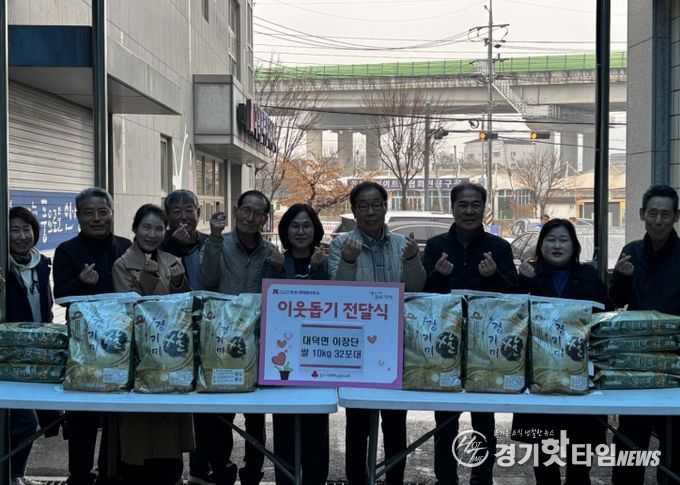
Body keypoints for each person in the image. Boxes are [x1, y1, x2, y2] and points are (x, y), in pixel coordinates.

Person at [328, 181, 425, 485]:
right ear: (354, 211)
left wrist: (412, 260)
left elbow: (417, 289)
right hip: (358, 346)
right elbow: (337, 293)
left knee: (395, 422)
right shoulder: (340, 245)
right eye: (363, 206)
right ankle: (357, 479)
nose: (370, 212)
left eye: (376, 205)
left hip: (397, 345)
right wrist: (348, 261)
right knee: (358, 423)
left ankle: (395, 478)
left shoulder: (402, 244)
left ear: (385, 207)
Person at [423, 182, 518, 485]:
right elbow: (422, 295)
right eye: (462, 205)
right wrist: (439, 276)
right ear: (452, 208)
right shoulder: (436, 246)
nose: (469, 211)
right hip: (444, 344)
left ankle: (481, 478)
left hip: (485, 346)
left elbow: (514, 296)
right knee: (445, 421)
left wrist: (494, 276)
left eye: (475, 204)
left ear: (484, 208)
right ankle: (445, 479)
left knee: (484, 422)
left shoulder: (499, 248)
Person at [511, 218, 612, 484]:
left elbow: (605, 317)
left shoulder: (588, 276)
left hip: (580, 376)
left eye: (563, 240)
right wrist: (526, 282)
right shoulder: (529, 275)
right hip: (540, 377)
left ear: (574, 246)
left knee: (580, 460)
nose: (557, 245)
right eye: (551, 240)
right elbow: (514, 318)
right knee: (545, 463)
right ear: (541, 246)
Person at [53, 187, 132, 485]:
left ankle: (111, 474)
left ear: (112, 213)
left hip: (122, 344)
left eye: (103, 211)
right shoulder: (66, 250)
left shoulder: (126, 246)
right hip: (84, 346)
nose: (96, 218)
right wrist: (80, 283)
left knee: (118, 414)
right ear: (78, 216)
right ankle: (79, 476)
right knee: (83, 415)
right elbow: (61, 296)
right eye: (89, 212)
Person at [111, 203, 194, 484]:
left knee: (168, 428)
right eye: (146, 227)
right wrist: (147, 277)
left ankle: (171, 474)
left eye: (159, 229)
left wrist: (180, 282)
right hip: (140, 356)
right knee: (139, 427)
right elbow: (131, 309)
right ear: (135, 229)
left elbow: (185, 306)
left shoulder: (172, 260)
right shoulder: (122, 264)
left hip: (171, 353)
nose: (152, 234)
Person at [198, 190, 275, 485]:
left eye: (258, 213)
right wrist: (215, 239)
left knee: (256, 415)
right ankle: (222, 468)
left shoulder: (269, 252)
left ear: (264, 218)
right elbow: (206, 280)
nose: (250, 217)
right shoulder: (217, 243)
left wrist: (278, 268)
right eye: (246, 210)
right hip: (220, 340)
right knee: (222, 413)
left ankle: (253, 471)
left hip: (256, 340)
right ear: (236, 210)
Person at [609, 184, 680, 484]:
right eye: (653, 213)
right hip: (635, 360)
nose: (658, 221)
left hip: (675, 361)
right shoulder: (631, 251)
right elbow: (615, 301)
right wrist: (622, 278)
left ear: (676, 217)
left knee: (674, 440)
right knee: (630, 439)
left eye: (665, 214)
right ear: (641, 214)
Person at [266, 204, 330, 485]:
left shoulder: (326, 261)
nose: (301, 231)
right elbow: (271, 305)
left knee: (317, 429)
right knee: (284, 430)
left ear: (315, 230)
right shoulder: (275, 261)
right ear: (285, 231)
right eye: (294, 225)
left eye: (306, 225)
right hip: (283, 359)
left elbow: (330, 302)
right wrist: (278, 271)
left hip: (319, 357)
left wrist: (318, 269)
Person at [160, 189, 215, 485]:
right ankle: (172, 470)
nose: (183, 217)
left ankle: (200, 467)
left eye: (189, 210)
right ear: (167, 216)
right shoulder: (160, 245)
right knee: (174, 405)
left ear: (198, 213)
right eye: (176, 211)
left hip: (207, 331)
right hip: (172, 334)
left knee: (205, 406)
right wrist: (173, 246)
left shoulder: (210, 244)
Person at [3, 206, 56, 485]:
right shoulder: (3, 267)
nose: (23, 236)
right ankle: (11, 475)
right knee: (24, 420)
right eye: (15, 230)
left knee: (29, 420)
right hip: (9, 354)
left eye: (27, 229)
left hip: (37, 352)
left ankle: (16, 475)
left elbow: (45, 307)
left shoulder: (41, 264)